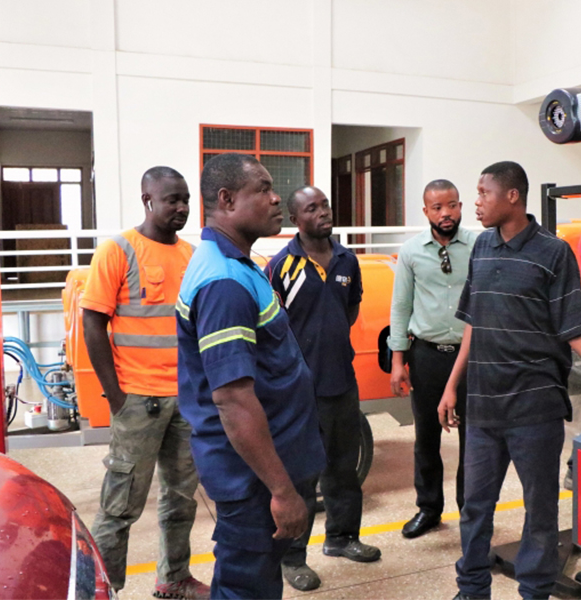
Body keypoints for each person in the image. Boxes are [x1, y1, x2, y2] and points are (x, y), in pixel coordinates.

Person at [436, 161, 581, 600]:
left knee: (540, 511)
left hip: (535, 408)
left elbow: (575, 329)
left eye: (483, 193)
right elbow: (474, 320)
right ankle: (471, 589)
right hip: (484, 405)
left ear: (512, 196)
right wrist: (453, 384)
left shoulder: (553, 252)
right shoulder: (482, 246)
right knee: (475, 507)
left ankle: (534, 592)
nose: (476, 202)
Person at [176, 154, 325, 599]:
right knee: (247, 587)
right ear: (226, 200)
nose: (276, 197)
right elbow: (233, 399)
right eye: (262, 189)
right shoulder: (223, 282)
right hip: (253, 478)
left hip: (262, 466)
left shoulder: (237, 264)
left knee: (250, 581)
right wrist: (281, 491)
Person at [80, 167, 209, 600]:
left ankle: (173, 578)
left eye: (186, 199)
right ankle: (102, 590)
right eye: (172, 199)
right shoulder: (118, 250)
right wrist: (116, 395)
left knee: (181, 498)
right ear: (147, 200)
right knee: (120, 505)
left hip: (185, 400)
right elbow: (93, 323)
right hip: (138, 401)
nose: (182, 207)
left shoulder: (192, 256)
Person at [265, 186, 381, 593]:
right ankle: (292, 558)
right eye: (311, 209)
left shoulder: (348, 259)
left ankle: (342, 538)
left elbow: (350, 309)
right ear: (295, 219)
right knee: (301, 476)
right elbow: (272, 327)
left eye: (325, 205)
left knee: (343, 468)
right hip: (299, 388)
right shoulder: (281, 266)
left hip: (341, 381)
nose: (323, 213)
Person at [389, 180, 476, 539]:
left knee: (475, 439)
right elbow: (401, 306)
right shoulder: (411, 252)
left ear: (460, 206)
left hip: (471, 357)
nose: (446, 214)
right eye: (437, 208)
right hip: (426, 356)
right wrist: (398, 362)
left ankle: (471, 511)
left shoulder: (478, 246)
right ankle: (428, 508)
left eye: (452, 205)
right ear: (425, 211)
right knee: (426, 437)